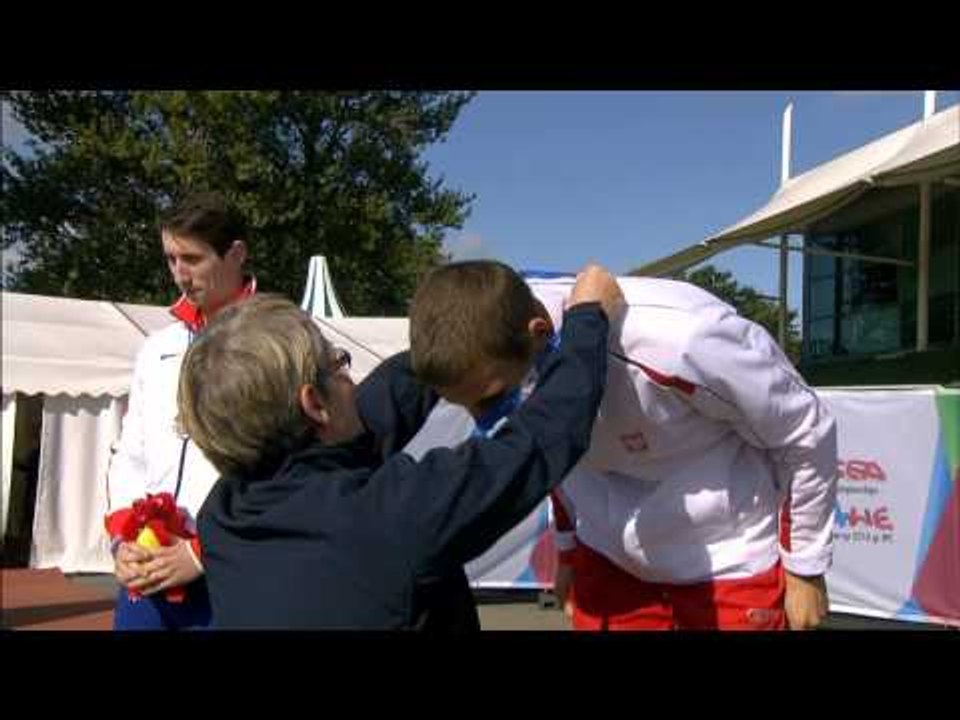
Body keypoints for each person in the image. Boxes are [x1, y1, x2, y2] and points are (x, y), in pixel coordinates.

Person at [178, 265, 622, 629]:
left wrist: (457, 338)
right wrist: (587, 317)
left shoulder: (223, 515)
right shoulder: (385, 518)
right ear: (314, 405)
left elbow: (377, 411)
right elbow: (544, 437)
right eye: (340, 366)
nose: (352, 380)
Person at [408, 261, 838, 631]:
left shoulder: (684, 338)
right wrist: (568, 554)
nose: (485, 421)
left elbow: (804, 430)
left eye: (491, 399)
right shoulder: (493, 348)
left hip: (726, 561)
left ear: (538, 332)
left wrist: (805, 566)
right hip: (608, 560)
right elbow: (557, 456)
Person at [104, 191, 256, 630]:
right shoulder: (157, 348)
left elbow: (290, 467)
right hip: (146, 573)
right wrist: (122, 540)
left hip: (234, 576)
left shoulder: (279, 340)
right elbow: (130, 454)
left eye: (191, 258)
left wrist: (201, 552)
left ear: (236, 254)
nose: (179, 274)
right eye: (171, 258)